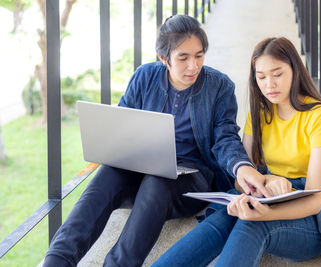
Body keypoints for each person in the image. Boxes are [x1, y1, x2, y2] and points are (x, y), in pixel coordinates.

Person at [42, 15, 270, 267]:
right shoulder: (144, 77)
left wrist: (241, 167)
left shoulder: (219, 87)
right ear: (164, 58)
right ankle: (57, 260)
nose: (193, 66)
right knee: (105, 177)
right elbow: (122, 124)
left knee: (158, 181)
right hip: (140, 167)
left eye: (199, 55)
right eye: (183, 58)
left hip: (191, 180)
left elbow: (225, 137)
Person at [152, 37, 321, 267]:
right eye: (261, 76)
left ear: (295, 71)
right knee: (227, 216)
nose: (269, 84)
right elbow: (241, 182)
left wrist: (263, 213)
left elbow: (314, 202)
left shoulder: (320, 116)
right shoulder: (260, 113)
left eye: (277, 74)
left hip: (315, 218)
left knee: (252, 222)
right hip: (270, 195)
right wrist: (264, 181)